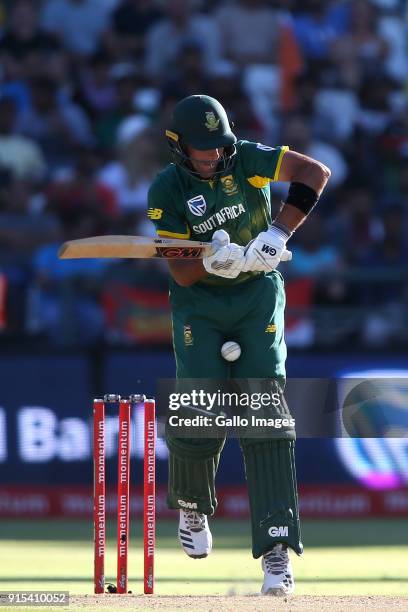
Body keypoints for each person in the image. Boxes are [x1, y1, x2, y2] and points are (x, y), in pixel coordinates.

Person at [147, 94, 330, 596]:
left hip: (256, 297)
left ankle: (275, 550)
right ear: (178, 146)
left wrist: (276, 231)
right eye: (202, 150)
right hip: (200, 306)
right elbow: (180, 273)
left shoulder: (247, 158)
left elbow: (314, 173)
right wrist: (210, 261)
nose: (212, 157)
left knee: (265, 411)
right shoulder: (167, 187)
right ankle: (191, 505)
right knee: (200, 403)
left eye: (217, 147)